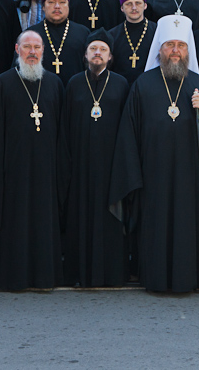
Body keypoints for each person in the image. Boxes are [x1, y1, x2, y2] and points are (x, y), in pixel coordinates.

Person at [109, 15, 199, 294]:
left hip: (190, 176)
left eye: (180, 46)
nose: (175, 51)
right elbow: (129, 133)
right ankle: (155, 278)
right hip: (153, 174)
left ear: (188, 51)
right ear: (159, 49)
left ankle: (190, 278)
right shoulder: (142, 85)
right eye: (169, 45)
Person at [0, 30, 68, 291]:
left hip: (46, 170)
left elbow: (62, 131)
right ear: (17, 50)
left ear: (43, 51)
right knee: (13, 222)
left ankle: (43, 278)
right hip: (12, 171)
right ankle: (11, 277)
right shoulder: (3, 84)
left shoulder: (54, 84)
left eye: (37, 47)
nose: (32, 52)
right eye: (27, 47)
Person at [63, 28, 131, 287]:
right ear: (85, 54)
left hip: (111, 165)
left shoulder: (121, 83)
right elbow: (66, 126)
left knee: (109, 218)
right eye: (93, 49)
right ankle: (79, 274)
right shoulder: (73, 83)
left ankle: (111, 274)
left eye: (103, 49)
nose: (98, 53)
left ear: (110, 56)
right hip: (80, 165)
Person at [27, 0, 89, 85]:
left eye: (62, 2)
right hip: (40, 95)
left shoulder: (83, 33)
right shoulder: (30, 34)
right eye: (51, 2)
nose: (57, 6)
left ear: (68, 6)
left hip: (75, 94)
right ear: (43, 7)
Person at [108, 0, 155, 86]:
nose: (134, 8)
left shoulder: (157, 31)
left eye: (138, 3)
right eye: (129, 4)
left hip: (149, 87)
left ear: (145, 5)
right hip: (119, 88)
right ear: (122, 8)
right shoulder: (112, 35)